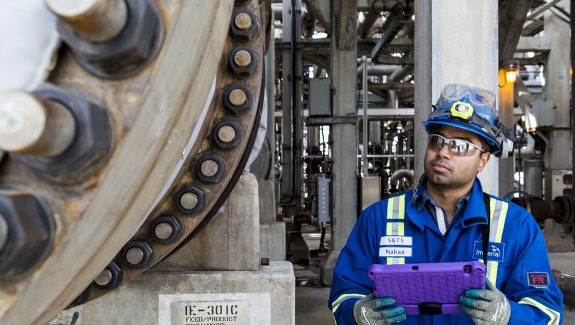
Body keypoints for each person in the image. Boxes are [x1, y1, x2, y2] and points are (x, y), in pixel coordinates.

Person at [328, 84, 563, 324]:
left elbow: (547, 312)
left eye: (460, 145)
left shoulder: (516, 226)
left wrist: (508, 315)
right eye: (437, 140)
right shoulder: (378, 219)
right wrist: (358, 313)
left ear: (482, 160)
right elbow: (344, 294)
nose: (443, 152)